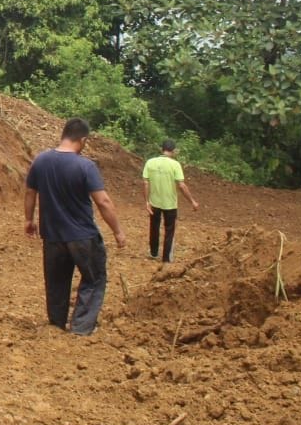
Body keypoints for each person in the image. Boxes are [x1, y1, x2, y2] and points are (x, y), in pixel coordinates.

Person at [24, 117, 127, 336]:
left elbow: (30, 192)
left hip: (52, 235)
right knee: (94, 278)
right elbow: (103, 201)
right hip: (82, 235)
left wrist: (29, 219)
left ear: (63, 135)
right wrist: (117, 231)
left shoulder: (40, 161)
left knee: (56, 282)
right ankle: (80, 328)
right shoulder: (85, 166)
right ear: (83, 140)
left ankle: (56, 324)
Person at [142, 138, 199, 262]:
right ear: (173, 151)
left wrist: (147, 201)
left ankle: (153, 252)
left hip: (154, 202)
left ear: (161, 149)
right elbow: (181, 185)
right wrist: (192, 201)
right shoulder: (175, 165)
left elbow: (146, 183)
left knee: (154, 227)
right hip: (170, 204)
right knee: (169, 230)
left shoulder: (150, 162)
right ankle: (166, 258)